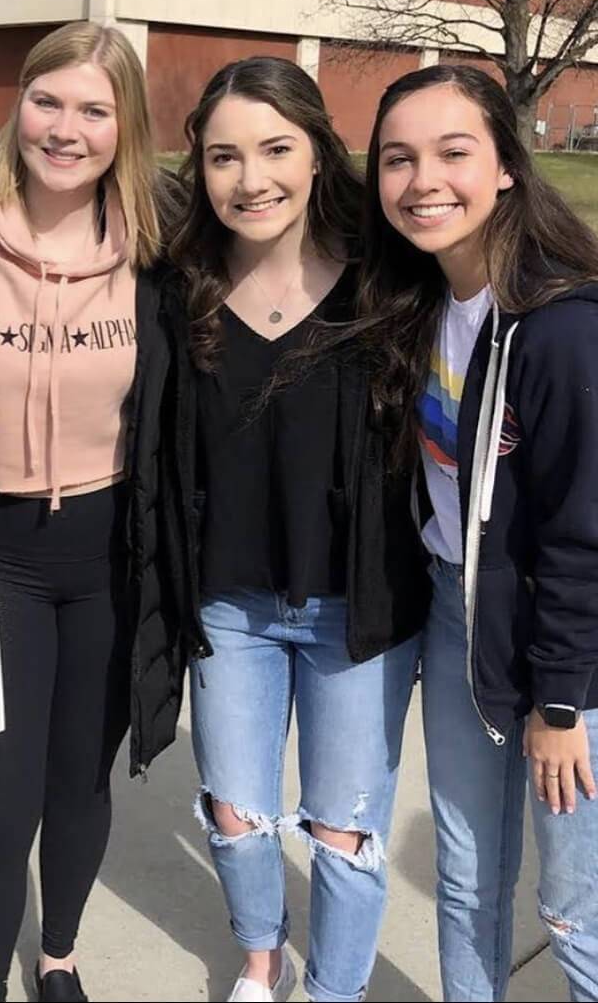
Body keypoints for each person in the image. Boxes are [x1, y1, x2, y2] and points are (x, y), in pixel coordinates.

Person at [0, 20, 183, 1003]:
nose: (66, 128)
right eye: (47, 100)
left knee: (82, 785)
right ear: (16, 103)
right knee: (4, 801)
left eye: (94, 109)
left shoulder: (159, 238)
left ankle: (57, 956)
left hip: (111, 553)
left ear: (126, 126)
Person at [165, 56, 428, 1003]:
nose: (252, 178)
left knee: (343, 830)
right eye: (225, 156)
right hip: (228, 607)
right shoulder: (179, 285)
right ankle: (262, 955)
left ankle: (335, 990)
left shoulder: (391, 287)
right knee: (236, 815)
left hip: (355, 613)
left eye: (276, 148)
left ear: (320, 153)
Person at [361, 64, 598, 1001]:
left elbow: (585, 536)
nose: (425, 181)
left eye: (454, 152)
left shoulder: (562, 327)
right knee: (465, 882)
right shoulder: (420, 302)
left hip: (569, 661)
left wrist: (561, 706)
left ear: (506, 163)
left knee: (576, 911)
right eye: (398, 159)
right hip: (463, 632)